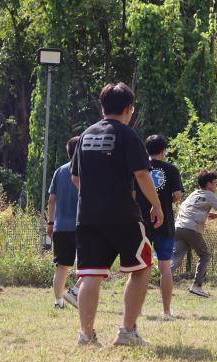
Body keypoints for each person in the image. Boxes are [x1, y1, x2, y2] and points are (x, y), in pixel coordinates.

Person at [71, 82, 163, 347]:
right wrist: (156, 205)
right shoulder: (127, 134)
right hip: (122, 214)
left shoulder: (85, 135)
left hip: (88, 215)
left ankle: (86, 336)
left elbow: (75, 177)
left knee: (90, 274)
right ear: (128, 109)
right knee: (141, 267)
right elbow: (142, 174)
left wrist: (94, 194)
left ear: (102, 107)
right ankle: (127, 332)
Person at [136, 135, 184, 319]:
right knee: (165, 266)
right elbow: (178, 195)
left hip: (141, 222)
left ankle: (137, 310)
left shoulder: (139, 168)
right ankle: (166, 311)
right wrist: (163, 202)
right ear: (164, 151)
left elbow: (133, 194)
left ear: (146, 150)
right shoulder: (171, 169)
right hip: (164, 222)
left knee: (140, 266)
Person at [171, 170, 217, 297]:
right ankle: (197, 286)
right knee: (205, 256)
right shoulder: (210, 195)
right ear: (208, 184)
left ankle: (164, 282)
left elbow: (190, 208)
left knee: (176, 258)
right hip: (192, 228)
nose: (216, 185)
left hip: (178, 226)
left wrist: (206, 214)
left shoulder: (193, 194)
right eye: (215, 182)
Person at [46, 136, 82, 309]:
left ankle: (58, 301)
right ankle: (75, 291)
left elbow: (51, 200)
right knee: (91, 265)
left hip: (60, 227)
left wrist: (50, 222)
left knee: (61, 266)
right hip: (82, 225)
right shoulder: (86, 170)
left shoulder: (59, 171)